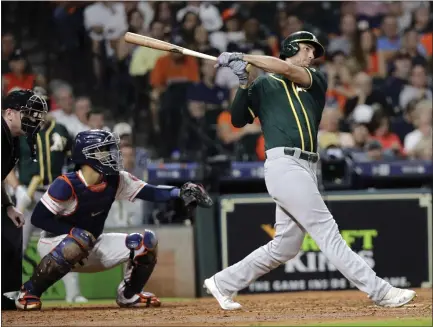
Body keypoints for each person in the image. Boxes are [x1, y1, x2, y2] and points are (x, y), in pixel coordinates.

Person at [203, 31, 416, 310]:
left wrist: (243, 57)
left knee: (285, 247)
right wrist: (244, 82)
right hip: (283, 165)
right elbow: (238, 119)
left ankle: (223, 282)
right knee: (327, 232)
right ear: (291, 47)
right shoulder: (263, 86)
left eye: (313, 51)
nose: (312, 55)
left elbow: (286, 68)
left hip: (307, 166)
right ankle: (381, 291)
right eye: (306, 49)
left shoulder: (314, 79)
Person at [7, 129, 212, 310]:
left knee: (146, 242)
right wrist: (72, 232)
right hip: (56, 244)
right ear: (88, 155)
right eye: (105, 150)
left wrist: (180, 191)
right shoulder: (66, 184)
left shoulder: (116, 179)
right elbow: (39, 218)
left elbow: (151, 192)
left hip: (91, 244)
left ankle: (129, 295)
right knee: (79, 239)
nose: (113, 154)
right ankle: (29, 291)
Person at [5, 88, 88, 303]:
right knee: (16, 244)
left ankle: (74, 293)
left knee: (64, 244)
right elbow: (6, 168)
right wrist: (17, 189)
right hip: (26, 195)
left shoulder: (60, 130)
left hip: (54, 195)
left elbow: (76, 160)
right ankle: (10, 292)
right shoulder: (18, 132)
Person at [1, 89, 47, 310]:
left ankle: (7, 295)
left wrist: (8, 206)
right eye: (28, 114)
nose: (33, 120)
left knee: (11, 225)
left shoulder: (13, 138)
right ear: (9, 113)